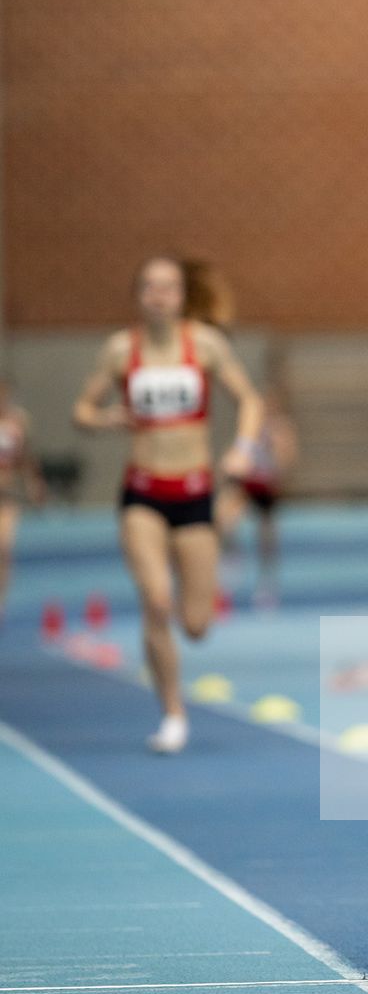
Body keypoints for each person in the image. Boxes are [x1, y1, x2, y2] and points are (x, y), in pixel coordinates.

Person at [72, 257, 262, 752]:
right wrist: (105, 419)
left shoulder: (204, 345)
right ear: (138, 295)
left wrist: (241, 448)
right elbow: (81, 409)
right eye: (149, 287)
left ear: (182, 295)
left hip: (196, 494)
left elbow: (250, 400)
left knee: (196, 625)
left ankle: (182, 629)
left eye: (168, 287)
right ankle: (173, 715)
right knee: (156, 600)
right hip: (143, 495)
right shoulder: (120, 350)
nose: (159, 296)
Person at [215, 384, 298, 606]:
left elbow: (287, 457)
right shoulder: (250, 428)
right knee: (224, 515)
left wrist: (277, 452)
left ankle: (267, 583)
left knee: (266, 536)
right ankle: (231, 554)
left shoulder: (281, 428)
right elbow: (234, 450)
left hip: (266, 484)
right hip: (247, 482)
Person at [0, 380, 45, 622]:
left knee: (4, 547)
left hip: (7, 494)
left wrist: (35, 484)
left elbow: (27, 457)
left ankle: (1, 601)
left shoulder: (18, 422)